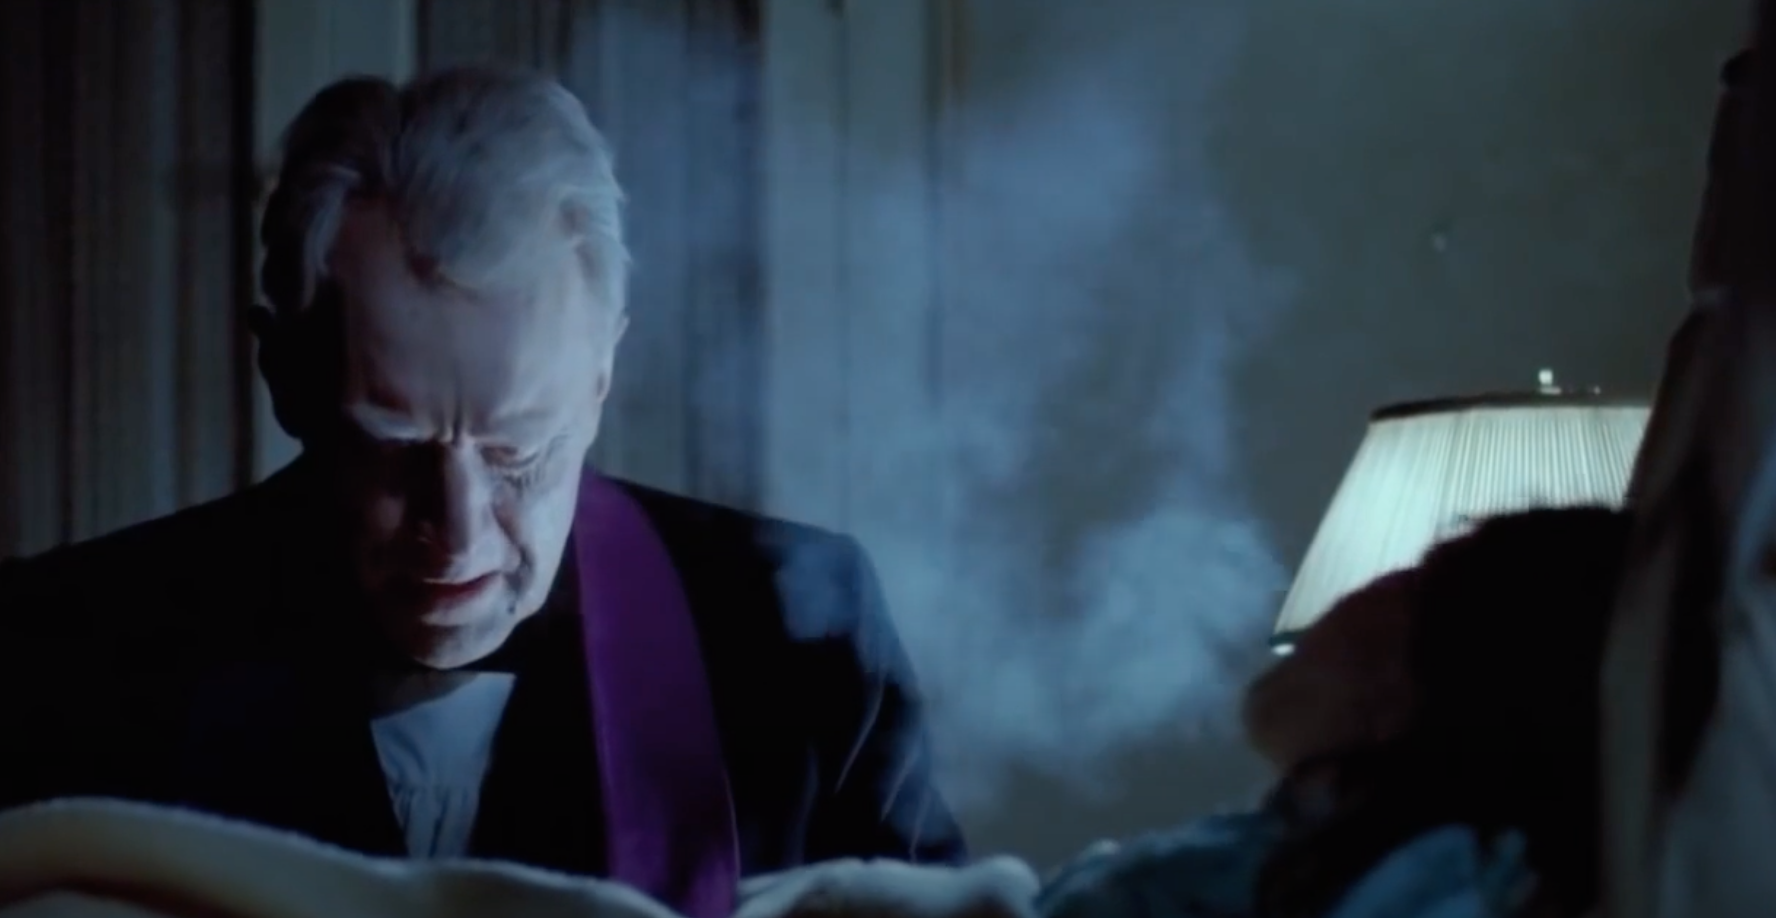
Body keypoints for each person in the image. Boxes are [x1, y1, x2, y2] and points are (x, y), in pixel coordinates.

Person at [0, 65, 964, 918]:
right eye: (391, 450)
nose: (456, 538)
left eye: (520, 454)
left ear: (601, 377)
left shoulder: (798, 642)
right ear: (284, 376)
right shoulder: (62, 654)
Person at [1036, 506, 1633, 918]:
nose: (1357, 592)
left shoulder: (1441, 875)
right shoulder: (1305, 843)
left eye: (1412, 580)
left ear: (1402, 689)